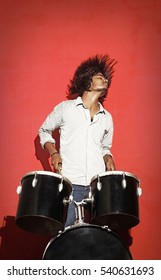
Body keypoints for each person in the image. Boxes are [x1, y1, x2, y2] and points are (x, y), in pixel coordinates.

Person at [39, 54, 117, 227]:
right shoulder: (66, 109)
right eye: (100, 77)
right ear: (88, 81)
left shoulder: (107, 118)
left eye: (106, 78)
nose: (105, 80)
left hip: (97, 185)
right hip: (71, 184)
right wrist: (54, 152)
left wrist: (108, 156)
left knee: (99, 236)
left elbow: (105, 146)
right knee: (69, 234)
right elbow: (44, 130)